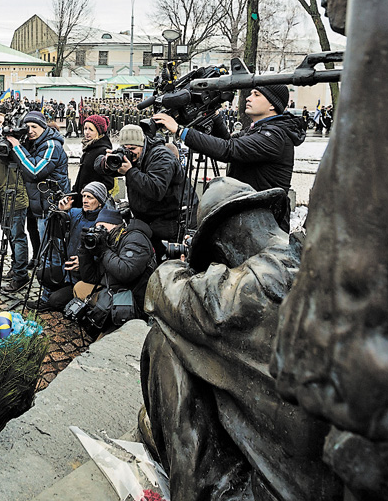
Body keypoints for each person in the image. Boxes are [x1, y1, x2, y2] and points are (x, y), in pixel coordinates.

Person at [139, 177, 341, 501]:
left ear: (222, 247)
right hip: (339, 488)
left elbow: (163, 287)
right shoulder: (323, 261)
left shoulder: (242, 292)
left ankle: (192, 496)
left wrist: (186, 264)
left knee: (166, 336)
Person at [153, 84, 305, 232]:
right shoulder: (259, 129)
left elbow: (229, 150)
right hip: (253, 221)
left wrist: (180, 131)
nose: (248, 98)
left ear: (273, 105)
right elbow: (228, 141)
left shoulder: (274, 135)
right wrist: (214, 114)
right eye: (250, 93)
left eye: (256, 95)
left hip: (266, 228)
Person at [6, 110, 70, 304]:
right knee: (46, 253)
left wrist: (17, 147)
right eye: (28, 127)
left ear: (44, 127)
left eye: (35, 126)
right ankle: (50, 293)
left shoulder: (51, 145)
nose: (31, 130)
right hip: (39, 207)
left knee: (52, 253)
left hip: (51, 208)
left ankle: (52, 296)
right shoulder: (34, 143)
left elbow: (35, 171)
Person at [103, 123, 186, 260]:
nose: (129, 152)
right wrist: (106, 163)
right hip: (145, 222)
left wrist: (130, 171)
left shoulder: (162, 156)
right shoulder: (133, 156)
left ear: (143, 144)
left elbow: (155, 189)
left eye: (133, 148)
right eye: (125, 148)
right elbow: (97, 166)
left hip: (166, 224)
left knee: (165, 266)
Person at [74, 204, 154, 335]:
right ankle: (102, 325)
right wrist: (84, 250)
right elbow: (90, 277)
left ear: (117, 226)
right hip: (113, 290)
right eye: (97, 227)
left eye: (103, 227)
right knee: (80, 287)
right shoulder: (110, 240)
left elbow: (126, 272)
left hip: (133, 300)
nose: (99, 231)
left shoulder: (135, 239)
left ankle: (116, 331)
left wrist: (104, 251)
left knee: (105, 348)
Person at [42, 182, 109, 311]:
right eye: (84, 196)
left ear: (100, 202)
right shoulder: (75, 213)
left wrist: (84, 262)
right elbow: (50, 228)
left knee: (55, 301)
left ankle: (78, 304)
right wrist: (60, 211)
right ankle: (63, 294)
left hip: (87, 276)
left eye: (90, 197)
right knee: (42, 274)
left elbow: (105, 255)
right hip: (68, 271)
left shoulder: (104, 222)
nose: (85, 200)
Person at [0, 112, 30, 292]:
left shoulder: (12, 143)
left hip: (15, 195)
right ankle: (15, 267)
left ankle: (21, 275)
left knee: (17, 236)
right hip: (2, 195)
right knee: (11, 235)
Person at [71, 114, 114, 208]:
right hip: (82, 200)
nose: (86, 132)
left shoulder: (103, 151)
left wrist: (90, 190)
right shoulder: (89, 148)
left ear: (99, 132)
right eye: (85, 128)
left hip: (92, 204)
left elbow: (109, 183)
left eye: (91, 129)